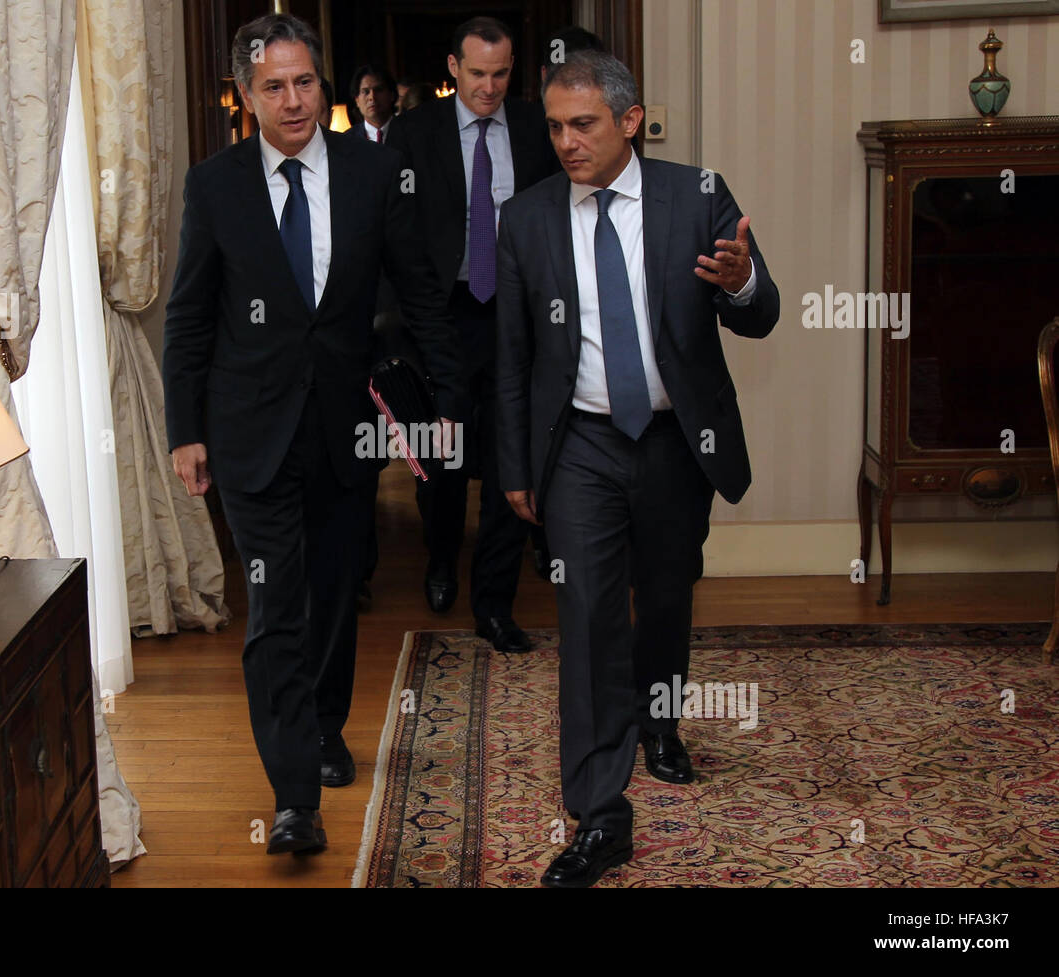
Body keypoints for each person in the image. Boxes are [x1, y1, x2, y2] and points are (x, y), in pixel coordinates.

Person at [162, 13, 464, 856]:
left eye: (304, 82)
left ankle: (326, 726)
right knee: (276, 610)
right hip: (249, 432)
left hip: (346, 430)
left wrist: (443, 403)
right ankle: (293, 795)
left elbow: (421, 292)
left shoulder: (376, 171)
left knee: (334, 595)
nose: (293, 101)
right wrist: (185, 429)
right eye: (273, 86)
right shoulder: (215, 185)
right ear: (245, 95)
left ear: (321, 85)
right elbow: (187, 318)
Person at [496, 50, 778, 887]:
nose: (566, 142)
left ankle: (660, 721)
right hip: (578, 443)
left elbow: (760, 314)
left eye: (582, 124)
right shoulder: (529, 217)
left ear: (628, 120)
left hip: (672, 440)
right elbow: (510, 359)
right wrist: (514, 464)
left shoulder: (697, 196)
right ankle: (600, 811)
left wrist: (742, 281)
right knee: (586, 610)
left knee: (665, 589)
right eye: (553, 126)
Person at [387, 15, 560, 652]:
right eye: (477, 73)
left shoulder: (535, 130)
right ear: (453, 69)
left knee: (511, 457)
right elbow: (393, 238)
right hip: (444, 317)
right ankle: (439, 560)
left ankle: (494, 604)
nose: (489, 87)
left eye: (501, 73)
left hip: (517, 315)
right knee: (444, 455)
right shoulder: (411, 134)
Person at [350, 64, 397, 142]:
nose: (372, 97)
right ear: (357, 100)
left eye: (378, 90)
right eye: (365, 92)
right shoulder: (348, 140)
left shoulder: (410, 133)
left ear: (391, 95)